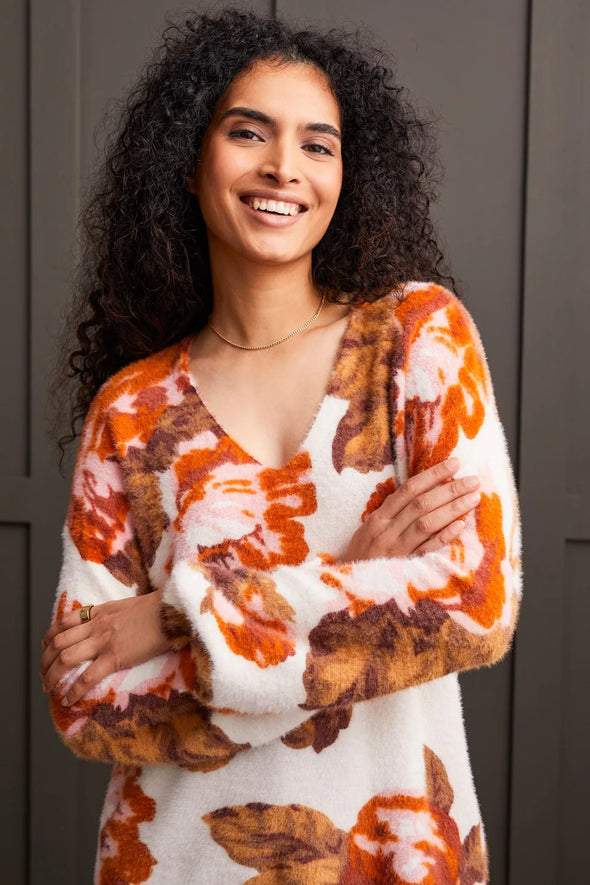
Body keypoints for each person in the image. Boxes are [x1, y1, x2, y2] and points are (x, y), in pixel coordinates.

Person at [40, 8, 521, 884]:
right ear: (191, 162)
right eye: (248, 132)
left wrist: (174, 617)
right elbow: (85, 702)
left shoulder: (417, 339)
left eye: (317, 144)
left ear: (346, 175)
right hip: (175, 862)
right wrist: (357, 580)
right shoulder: (131, 409)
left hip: (392, 860)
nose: (282, 168)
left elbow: (476, 601)